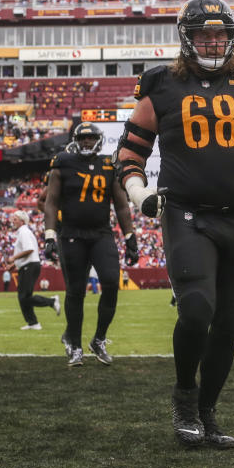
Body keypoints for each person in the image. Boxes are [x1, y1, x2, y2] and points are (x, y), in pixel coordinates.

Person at [115, 0, 234, 447]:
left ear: (231, 37)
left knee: (232, 322)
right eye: (205, 34)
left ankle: (207, 410)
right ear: (187, 38)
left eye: (220, 34)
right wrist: (140, 192)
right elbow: (130, 153)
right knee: (197, 310)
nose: (214, 42)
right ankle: (184, 397)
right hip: (187, 214)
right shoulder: (160, 85)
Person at [43, 122, 138, 367]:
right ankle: (74, 344)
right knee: (75, 291)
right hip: (72, 234)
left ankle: (99, 339)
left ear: (98, 139)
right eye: (83, 138)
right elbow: (51, 202)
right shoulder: (62, 162)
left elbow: (121, 204)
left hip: (100, 233)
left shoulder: (109, 164)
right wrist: (50, 235)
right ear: (76, 140)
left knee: (110, 282)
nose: (87, 142)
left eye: (91, 137)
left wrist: (130, 236)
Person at [7, 210, 61, 331]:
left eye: (15, 219)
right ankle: (33, 323)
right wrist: (15, 265)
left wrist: (13, 258)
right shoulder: (23, 232)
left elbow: (29, 250)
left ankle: (52, 301)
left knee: (24, 297)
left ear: (22, 221)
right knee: (24, 296)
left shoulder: (24, 232)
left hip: (29, 266)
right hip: (27, 265)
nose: (13, 221)